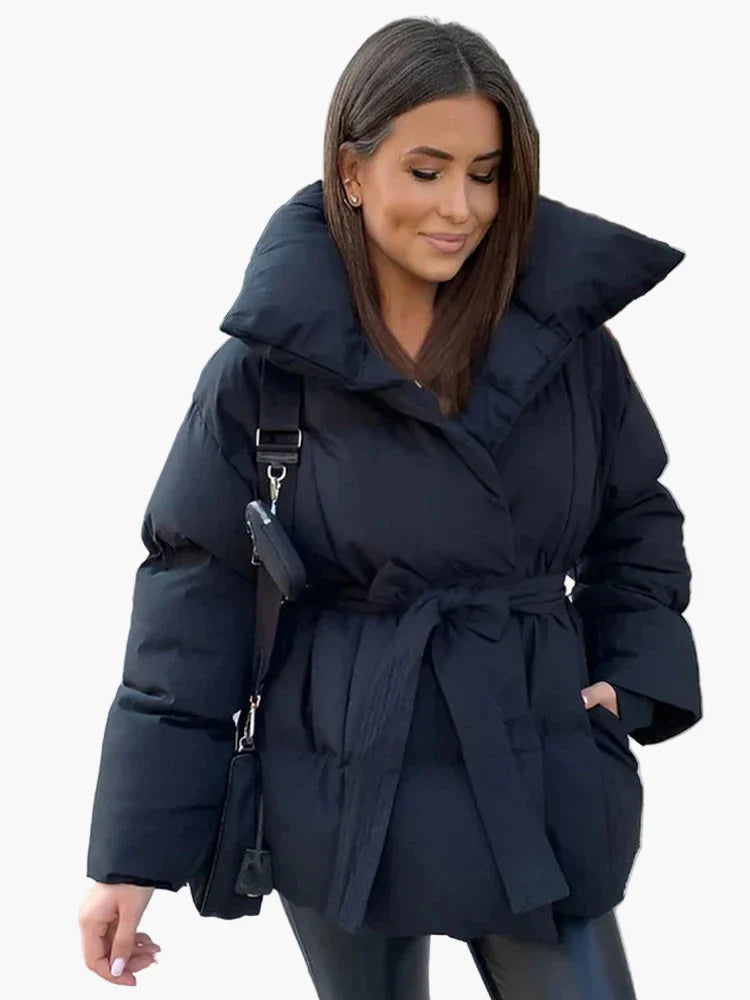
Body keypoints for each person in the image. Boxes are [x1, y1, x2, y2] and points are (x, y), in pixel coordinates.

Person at [78, 15, 702, 998]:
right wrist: (130, 858)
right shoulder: (265, 373)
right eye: (427, 169)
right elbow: (191, 599)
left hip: (531, 758)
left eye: (487, 174)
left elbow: (638, 525)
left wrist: (626, 679)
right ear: (352, 171)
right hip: (340, 777)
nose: (462, 206)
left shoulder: (571, 350)